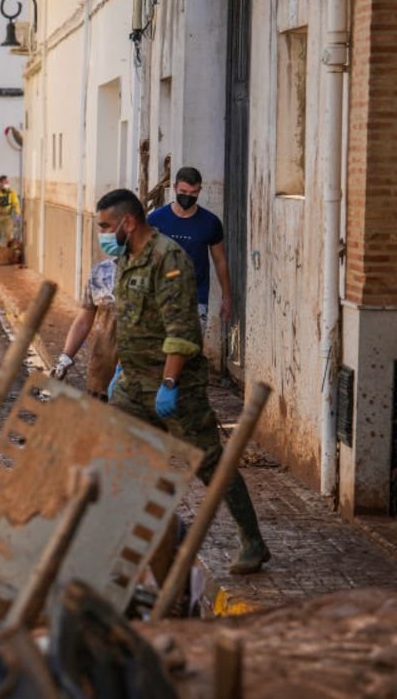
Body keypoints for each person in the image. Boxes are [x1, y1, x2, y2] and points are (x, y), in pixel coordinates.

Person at [97, 188, 269, 575]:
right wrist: (121, 371)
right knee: (119, 456)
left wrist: (170, 384)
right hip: (133, 382)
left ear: (127, 222)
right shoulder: (127, 258)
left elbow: (182, 330)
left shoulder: (167, 258)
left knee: (209, 463)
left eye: (106, 226)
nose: (102, 234)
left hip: (174, 385)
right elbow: (132, 322)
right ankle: (128, 541)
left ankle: (253, 541)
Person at [146, 167, 233, 332]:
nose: (188, 196)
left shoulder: (210, 223)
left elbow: (220, 261)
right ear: (174, 188)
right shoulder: (155, 219)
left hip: (196, 298)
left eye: (193, 193)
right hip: (158, 296)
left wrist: (227, 298)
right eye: (183, 191)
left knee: (189, 351)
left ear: (200, 190)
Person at [50, 258, 118, 400]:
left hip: (142, 376)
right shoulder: (101, 272)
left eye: (111, 233)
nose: (106, 236)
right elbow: (83, 321)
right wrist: (64, 359)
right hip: (103, 372)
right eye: (103, 233)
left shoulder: (154, 269)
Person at [0, 174, 20, 250]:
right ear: (0, 182)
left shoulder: (12, 192)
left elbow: (16, 203)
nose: (7, 183)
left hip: (8, 216)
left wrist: (17, 213)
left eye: (8, 182)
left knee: (9, 235)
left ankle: (10, 252)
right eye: (5, 182)